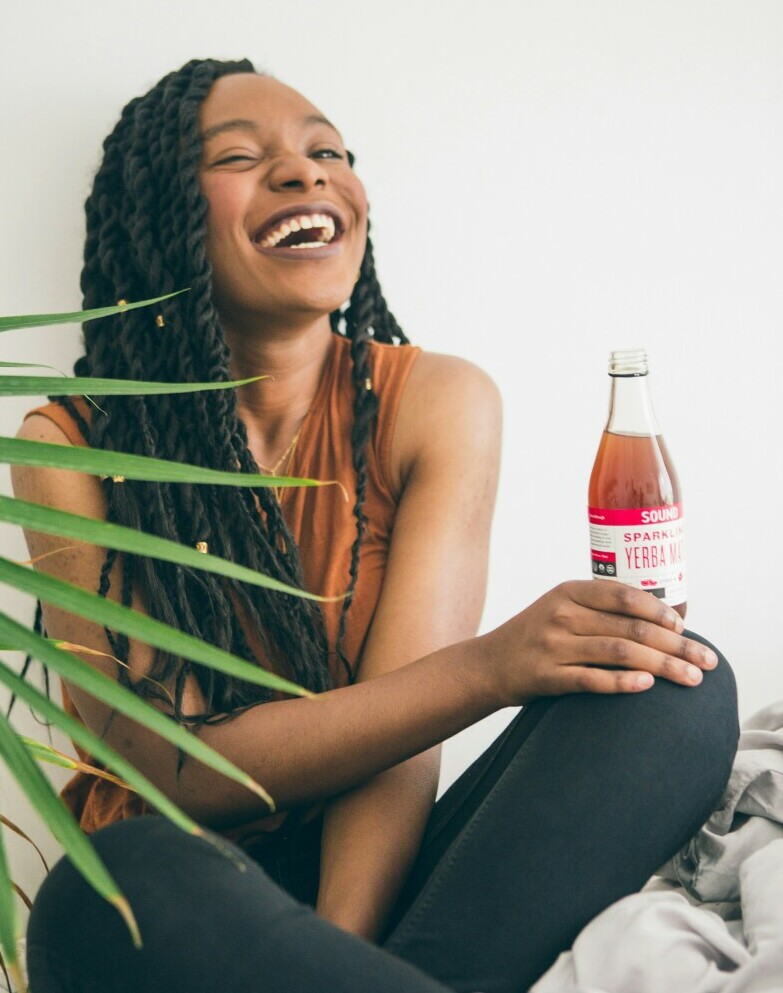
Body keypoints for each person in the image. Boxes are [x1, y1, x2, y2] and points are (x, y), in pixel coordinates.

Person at [13, 59, 738, 993]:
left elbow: (403, 731)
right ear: (162, 218)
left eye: (328, 152)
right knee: (116, 873)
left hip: (388, 892)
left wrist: (342, 954)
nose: (306, 172)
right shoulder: (67, 447)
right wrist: (488, 667)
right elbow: (172, 769)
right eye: (241, 155)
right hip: (177, 909)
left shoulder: (434, 401)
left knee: (669, 684)